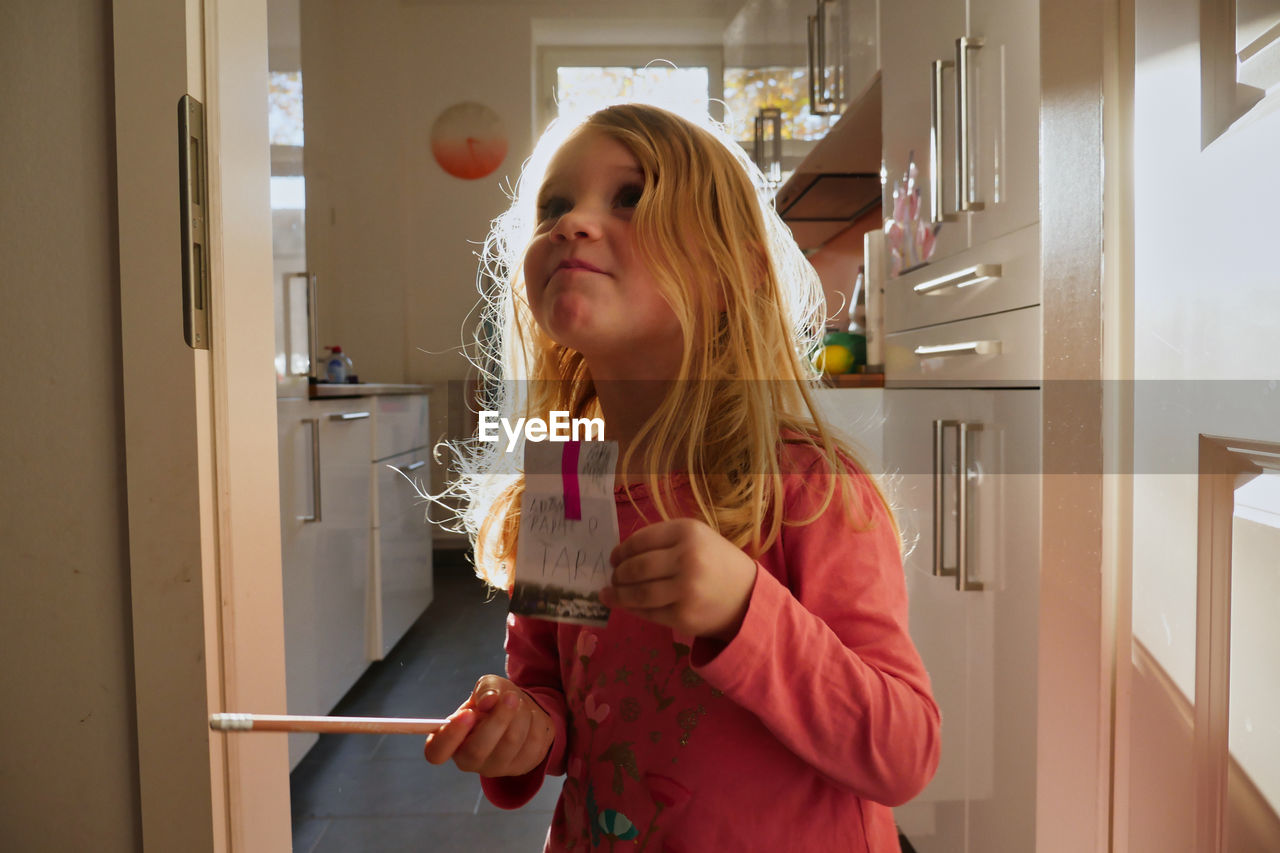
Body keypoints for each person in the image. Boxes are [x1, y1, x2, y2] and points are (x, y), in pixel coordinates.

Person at [423, 102, 940, 852]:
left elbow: (902, 749)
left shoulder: (807, 485)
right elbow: (552, 692)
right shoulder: (567, 480)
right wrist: (524, 726)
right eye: (555, 206)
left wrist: (744, 611)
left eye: (631, 198)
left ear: (734, 273)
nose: (573, 223)